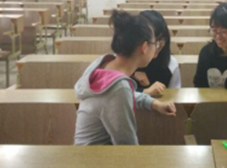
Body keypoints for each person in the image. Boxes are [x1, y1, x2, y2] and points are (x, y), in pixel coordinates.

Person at [74, 10, 177, 145]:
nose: (157, 49)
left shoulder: (104, 63)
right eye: (155, 44)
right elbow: (127, 145)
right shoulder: (119, 88)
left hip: (86, 151)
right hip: (97, 156)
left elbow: (122, 95)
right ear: (144, 47)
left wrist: (153, 103)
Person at [132, 10, 181, 98]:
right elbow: (117, 95)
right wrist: (145, 91)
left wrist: (148, 86)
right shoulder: (127, 60)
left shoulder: (170, 64)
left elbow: (175, 96)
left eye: (162, 39)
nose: (158, 46)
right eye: (154, 41)